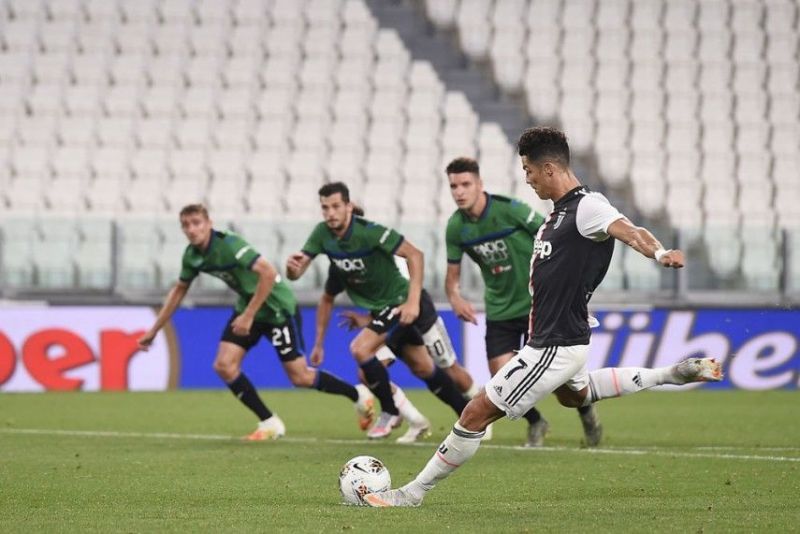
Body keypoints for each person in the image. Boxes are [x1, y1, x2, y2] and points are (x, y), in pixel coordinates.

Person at [364, 127, 723, 507]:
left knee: (475, 413)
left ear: (549, 168)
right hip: (566, 338)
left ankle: (413, 493)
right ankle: (671, 373)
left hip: (555, 344)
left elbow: (630, 231)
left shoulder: (588, 207)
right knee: (576, 396)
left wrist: (659, 253)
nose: (527, 178)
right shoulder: (557, 216)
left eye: (529, 170)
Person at [137, 204, 374, 441]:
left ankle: (357, 394)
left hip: (276, 308)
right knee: (224, 365)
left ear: (209, 223)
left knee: (300, 377)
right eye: (186, 225)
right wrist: (154, 330)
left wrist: (248, 316)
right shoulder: (192, 256)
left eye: (196, 222)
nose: (192, 229)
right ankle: (269, 422)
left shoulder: (230, 245)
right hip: (248, 308)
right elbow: (179, 291)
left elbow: (268, 273)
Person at [285, 182, 475, 439]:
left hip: (402, 303)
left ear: (349, 207)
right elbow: (299, 273)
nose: (330, 213)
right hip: (385, 313)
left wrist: (412, 301)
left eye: (336, 206)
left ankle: (390, 411)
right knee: (423, 368)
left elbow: (415, 255)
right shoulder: (324, 238)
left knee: (362, 350)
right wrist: (291, 270)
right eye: (325, 208)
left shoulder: (369, 232)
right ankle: (468, 415)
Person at [443, 156, 602, 447]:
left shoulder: (510, 210)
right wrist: (454, 297)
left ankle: (587, 411)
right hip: (499, 308)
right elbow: (451, 278)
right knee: (501, 375)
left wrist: (569, 290)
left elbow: (557, 239)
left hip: (539, 305)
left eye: (465, 184)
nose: (459, 191)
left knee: (558, 380)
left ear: (479, 184)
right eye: (453, 186)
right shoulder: (456, 227)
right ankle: (536, 421)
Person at [313, 262, 432, 444]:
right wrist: (368, 319)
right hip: (393, 316)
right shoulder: (371, 257)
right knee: (368, 372)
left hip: (406, 314)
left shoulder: (384, 254)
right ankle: (407, 416)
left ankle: (399, 413)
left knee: (437, 369)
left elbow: (399, 289)